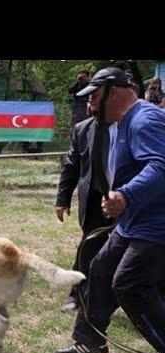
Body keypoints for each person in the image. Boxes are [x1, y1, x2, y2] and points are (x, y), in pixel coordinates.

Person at [55, 67, 165, 353]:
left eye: (93, 98)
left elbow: (160, 166)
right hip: (133, 223)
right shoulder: (124, 122)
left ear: (112, 92)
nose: (89, 106)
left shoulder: (144, 120)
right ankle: (89, 341)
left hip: (155, 226)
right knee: (100, 270)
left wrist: (126, 195)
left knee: (129, 285)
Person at [55, 100, 115, 311]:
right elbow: (71, 166)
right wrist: (62, 199)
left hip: (125, 199)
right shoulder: (82, 129)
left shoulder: (127, 127)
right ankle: (77, 296)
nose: (91, 107)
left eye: (97, 101)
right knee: (88, 247)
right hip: (93, 200)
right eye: (90, 102)